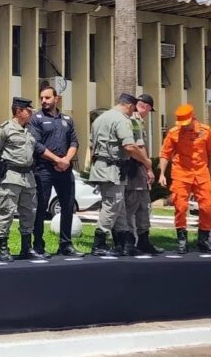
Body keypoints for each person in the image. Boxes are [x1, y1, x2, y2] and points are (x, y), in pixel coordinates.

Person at [89, 93, 154, 256]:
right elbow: (130, 146)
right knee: (112, 205)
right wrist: (146, 162)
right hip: (113, 169)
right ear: (130, 106)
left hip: (102, 167)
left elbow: (92, 145)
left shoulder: (100, 119)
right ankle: (99, 243)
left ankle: (125, 243)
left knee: (120, 208)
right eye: (133, 109)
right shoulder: (122, 120)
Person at [28, 86, 84, 258]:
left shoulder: (67, 119)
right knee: (41, 207)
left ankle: (66, 245)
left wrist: (66, 160)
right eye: (41, 98)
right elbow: (37, 145)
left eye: (47, 98)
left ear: (56, 98)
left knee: (67, 206)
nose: (44, 101)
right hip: (44, 168)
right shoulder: (36, 118)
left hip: (65, 169)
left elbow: (74, 142)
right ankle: (38, 245)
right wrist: (57, 160)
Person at [0, 97, 46, 262]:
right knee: (7, 212)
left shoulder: (29, 130)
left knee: (29, 213)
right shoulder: (4, 129)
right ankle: (3, 248)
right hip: (11, 176)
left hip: (28, 177)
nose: (31, 113)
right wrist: (1, 171)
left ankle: (26, 247)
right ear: (19, 110)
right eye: (28, 110)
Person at [159, 103, 211, 253]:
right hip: (181, 173)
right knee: (180, 207)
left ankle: (203, 239)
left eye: (186, 123)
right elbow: (165, 154)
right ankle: (182, 240)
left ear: (193, 118)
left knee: (207, 207)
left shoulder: (206, 131)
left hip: (201, 173)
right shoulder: (174, 132)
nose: (184, 126)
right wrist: (162, 174)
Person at [125, 94, 164, 255]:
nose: (148, 113)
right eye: (149, 110)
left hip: (139, 171)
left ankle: (143, 240)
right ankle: (129, 241)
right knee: (132, 206)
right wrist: (148, 167)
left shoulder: (137, 121)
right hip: (133, 170)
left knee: (143, 205)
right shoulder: (133, 121)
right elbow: (138, 147)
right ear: (146, 107)